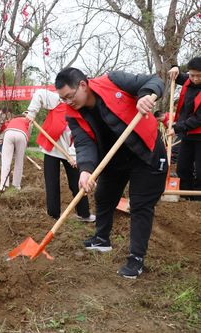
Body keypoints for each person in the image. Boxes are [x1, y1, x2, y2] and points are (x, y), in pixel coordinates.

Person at [55, 67, 167, 279]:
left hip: (144, 152)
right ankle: (101, 239)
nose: (68, 102)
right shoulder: (73, 113)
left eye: (70, 96)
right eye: (63, 99)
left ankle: (136, 257)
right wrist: (86, 170)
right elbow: (83, 141)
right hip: (113, 158)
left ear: (83, 85)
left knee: (140, 204)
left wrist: (145, 95)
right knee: (103, 196)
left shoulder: (113, 81)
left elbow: (155, 81)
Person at [25, 89, 95, 222]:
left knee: (77, 182)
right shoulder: (59, 100)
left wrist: (75, 158)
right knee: (52, 183)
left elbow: (82, 140)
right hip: (52, 149)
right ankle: (53, 216)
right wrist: (32, 112)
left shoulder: (85, 115)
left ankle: (83, 214)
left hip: (71, 152)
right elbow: (40, 93)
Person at [167, 57, 201, 200]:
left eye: (199, 76)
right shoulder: (189, 80)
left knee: (200, 170)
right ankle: (185, 196)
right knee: (182, 167)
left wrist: (177, 127)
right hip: (187, 134)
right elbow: (177, 75)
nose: (194, 79)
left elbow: (199, 119)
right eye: (192, 75)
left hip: (199, 134)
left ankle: (197, 199)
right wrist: (175, 67)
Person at [0, 113, 33, 191]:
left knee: (6, 161)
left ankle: (2, 185)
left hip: (9, 133)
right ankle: (17, 185)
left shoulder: (14, 119)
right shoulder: (29, 120)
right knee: (19, 161)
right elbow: (29, 133)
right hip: (22, 134)